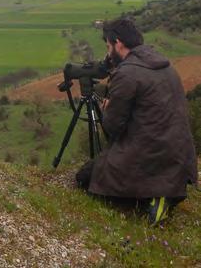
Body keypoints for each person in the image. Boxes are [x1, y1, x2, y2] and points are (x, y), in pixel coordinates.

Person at [76, 18, 198, 225]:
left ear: (118, 43)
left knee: (85, 177)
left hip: (150, 153)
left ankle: (152, 197)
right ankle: (165, 193)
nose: (107, 53)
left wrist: (107, 109)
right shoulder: (163, 64)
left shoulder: (127, 73)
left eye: (108, 46)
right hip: (179, 157)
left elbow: (113, 127)